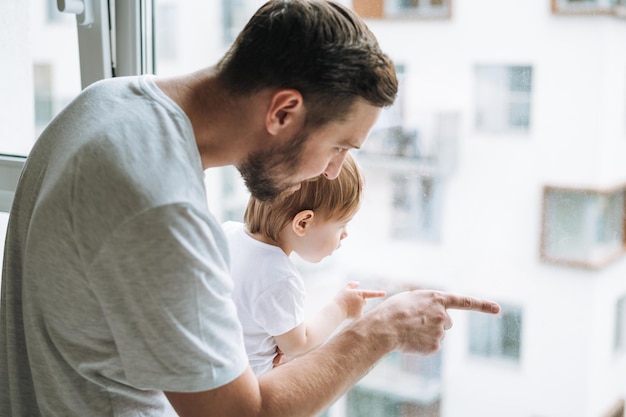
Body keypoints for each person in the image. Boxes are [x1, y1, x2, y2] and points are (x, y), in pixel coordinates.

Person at [0, 1, 500, 416]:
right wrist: (381, 329)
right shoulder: (160, 205)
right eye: (340, 147)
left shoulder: (107, 103)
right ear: (283, 112)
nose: (332, 171)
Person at [224, 153, 386, 376]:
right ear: (302, 223)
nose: (345, 235)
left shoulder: (225, 233)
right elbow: (299, 344)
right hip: (246, 394)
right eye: (341, 225)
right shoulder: (279, 278)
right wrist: (342, 307)